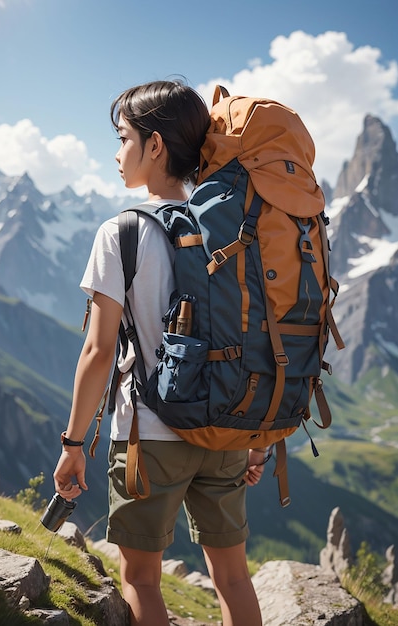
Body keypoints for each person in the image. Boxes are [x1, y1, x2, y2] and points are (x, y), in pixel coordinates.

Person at [53, 79, 268, 626]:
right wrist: (257, 436)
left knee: (141, 578)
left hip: (149, 435)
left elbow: (100, 351)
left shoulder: (122, 232)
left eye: (123, 136)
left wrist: (73, 443)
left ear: (154, 146)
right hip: (225, 430)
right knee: (234, 577)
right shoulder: (235, 230)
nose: (117, 151)